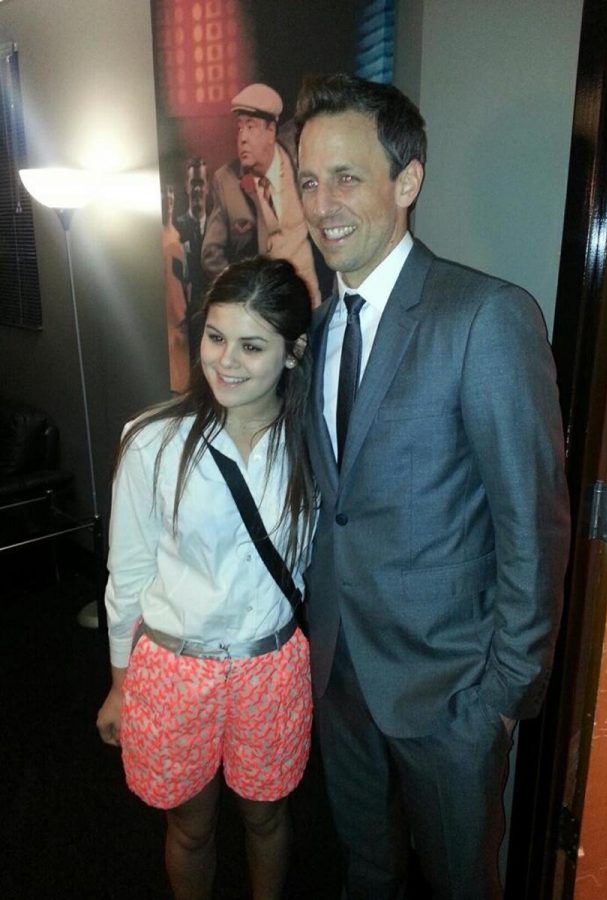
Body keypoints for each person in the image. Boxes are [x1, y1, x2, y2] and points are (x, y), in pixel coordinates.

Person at [294, 73, 570, 899]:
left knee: (459, 883)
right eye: (308, 181)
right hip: (341, 674)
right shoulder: (320, 327)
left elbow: (534, 524)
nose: (321, 203)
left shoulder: (484, 317)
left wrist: (497, 696)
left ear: (406, 181)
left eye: (345, 177)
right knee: (366, 869)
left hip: (449, 696)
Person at [96, 256, 315, 900]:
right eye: (215, 337)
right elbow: (128, 572)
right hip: (172, 668)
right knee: (189, 828)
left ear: (293, 352)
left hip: (270, 666)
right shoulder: (153, 442)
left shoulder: (313, 445)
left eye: (252, 345)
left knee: (266, 818)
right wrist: (119, 686)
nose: (225, 361)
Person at [201, 82, 321, 306]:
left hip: (312, 308)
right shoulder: (225, 181)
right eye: (239, 128)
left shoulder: (300, 159)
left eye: (251, 127)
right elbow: (211, 255)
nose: (242, 138)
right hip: (264, 317)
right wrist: (242, 299)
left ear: (271, 131)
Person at [175, 156, 210, 359]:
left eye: (201, 183)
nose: (197, 190)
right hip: (187, 316)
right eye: (193, 184)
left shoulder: (219, 224)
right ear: (187, 188)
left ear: (207, 187)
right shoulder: (176, 228)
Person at [161, 181, 190, 391]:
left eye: (170, 191)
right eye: (163, 191)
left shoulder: (180, 237)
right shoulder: (154, 239)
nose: (167, 197)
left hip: (182, 324)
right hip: (165, 325)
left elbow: (185, 280)